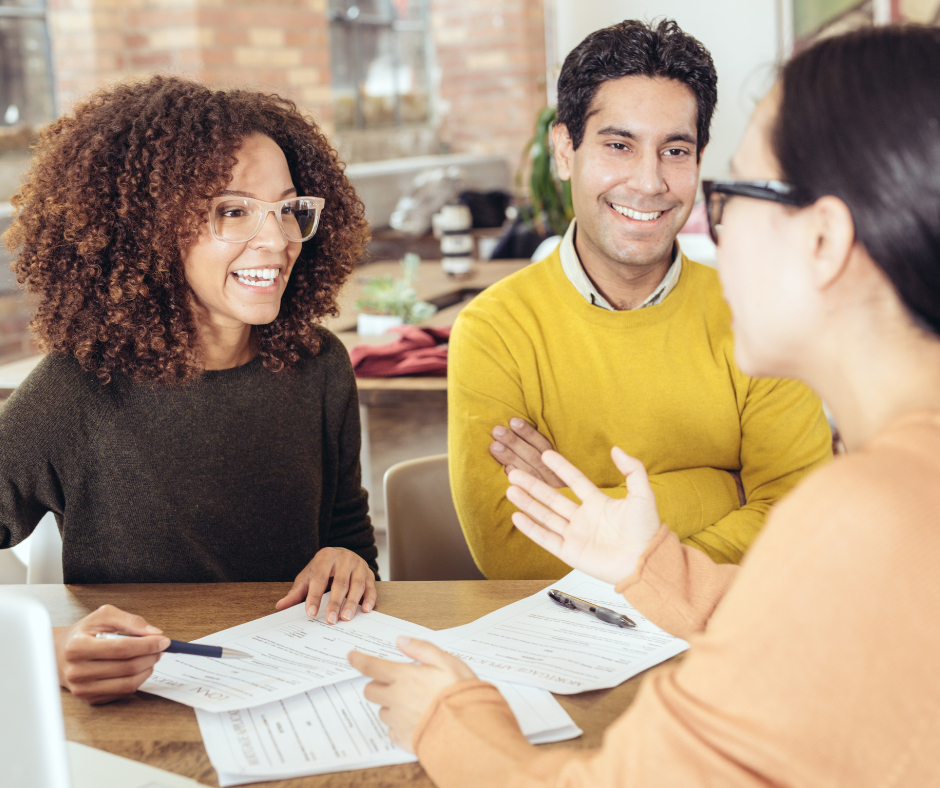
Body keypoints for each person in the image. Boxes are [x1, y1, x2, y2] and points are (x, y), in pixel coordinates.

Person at [351, 24, 940, 786]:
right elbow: (803, 618)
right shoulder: (894, 490)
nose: (680, 204)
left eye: (728, 191)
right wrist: (649, 560)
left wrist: (449, 719)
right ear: (568, 150)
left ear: (823, 238)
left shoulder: (859, 512)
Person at [0, 76, 378, 704]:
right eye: (232, 210)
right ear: (147, 231)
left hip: (294, 689)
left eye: (288, 208)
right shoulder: (76, 389)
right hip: (140, 702)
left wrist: (347, 561)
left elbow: (346, 530)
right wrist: (46, 648)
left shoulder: (319, 365)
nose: (278, 239)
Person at [448, 19, 832, 579]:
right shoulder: (495, 330)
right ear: (563, 150)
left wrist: (591, 514)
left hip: (727, 638)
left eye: (675, 149)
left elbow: (797, 516)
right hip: (563, 647)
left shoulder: (757, 311)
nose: (649, 182)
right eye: (619, 145)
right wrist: (722, 488)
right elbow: (512, 553)